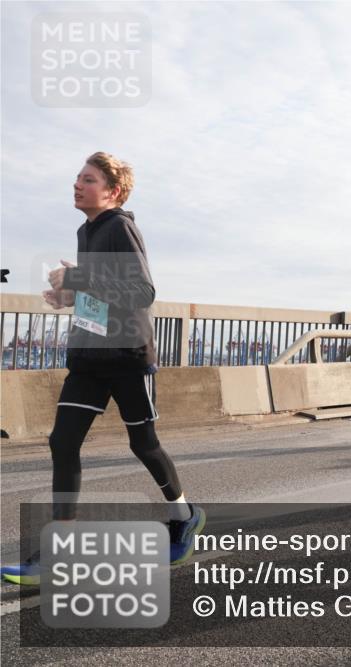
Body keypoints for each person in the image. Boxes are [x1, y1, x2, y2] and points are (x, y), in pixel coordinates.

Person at [1, 153, 205, 586]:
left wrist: (77, 282)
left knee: (144, 444)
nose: (77, 184)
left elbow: (141, 291)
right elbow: (102, 292)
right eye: (77, 177)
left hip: (127, 356)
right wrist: (69, 298)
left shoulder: (119, 227)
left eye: (88, 179)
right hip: (91, 358)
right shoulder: (86, 230)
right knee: (63, 441)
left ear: (112, 191)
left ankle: (183, 516)